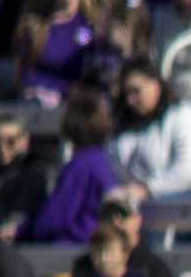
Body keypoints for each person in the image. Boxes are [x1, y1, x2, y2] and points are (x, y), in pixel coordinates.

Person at [115, 56, 191, 204]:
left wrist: (148, 189)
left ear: (156, 85)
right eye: (126, 94)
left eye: (136, 91)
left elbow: (189, 169)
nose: (130, 100)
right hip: (163, 202)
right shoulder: (134, 130)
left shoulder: (185, 116)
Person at [26, 88, 122, 246]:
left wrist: (26, 230)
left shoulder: (82, 165)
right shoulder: (102, 160)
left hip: (76, 247)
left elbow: (54, 219)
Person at [17, 0, 106, 107]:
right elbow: (24, 74)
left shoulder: (94, 25)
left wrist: (68, 91)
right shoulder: (35, 28)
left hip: (82, 107)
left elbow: (100, 74)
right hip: (42, 107)